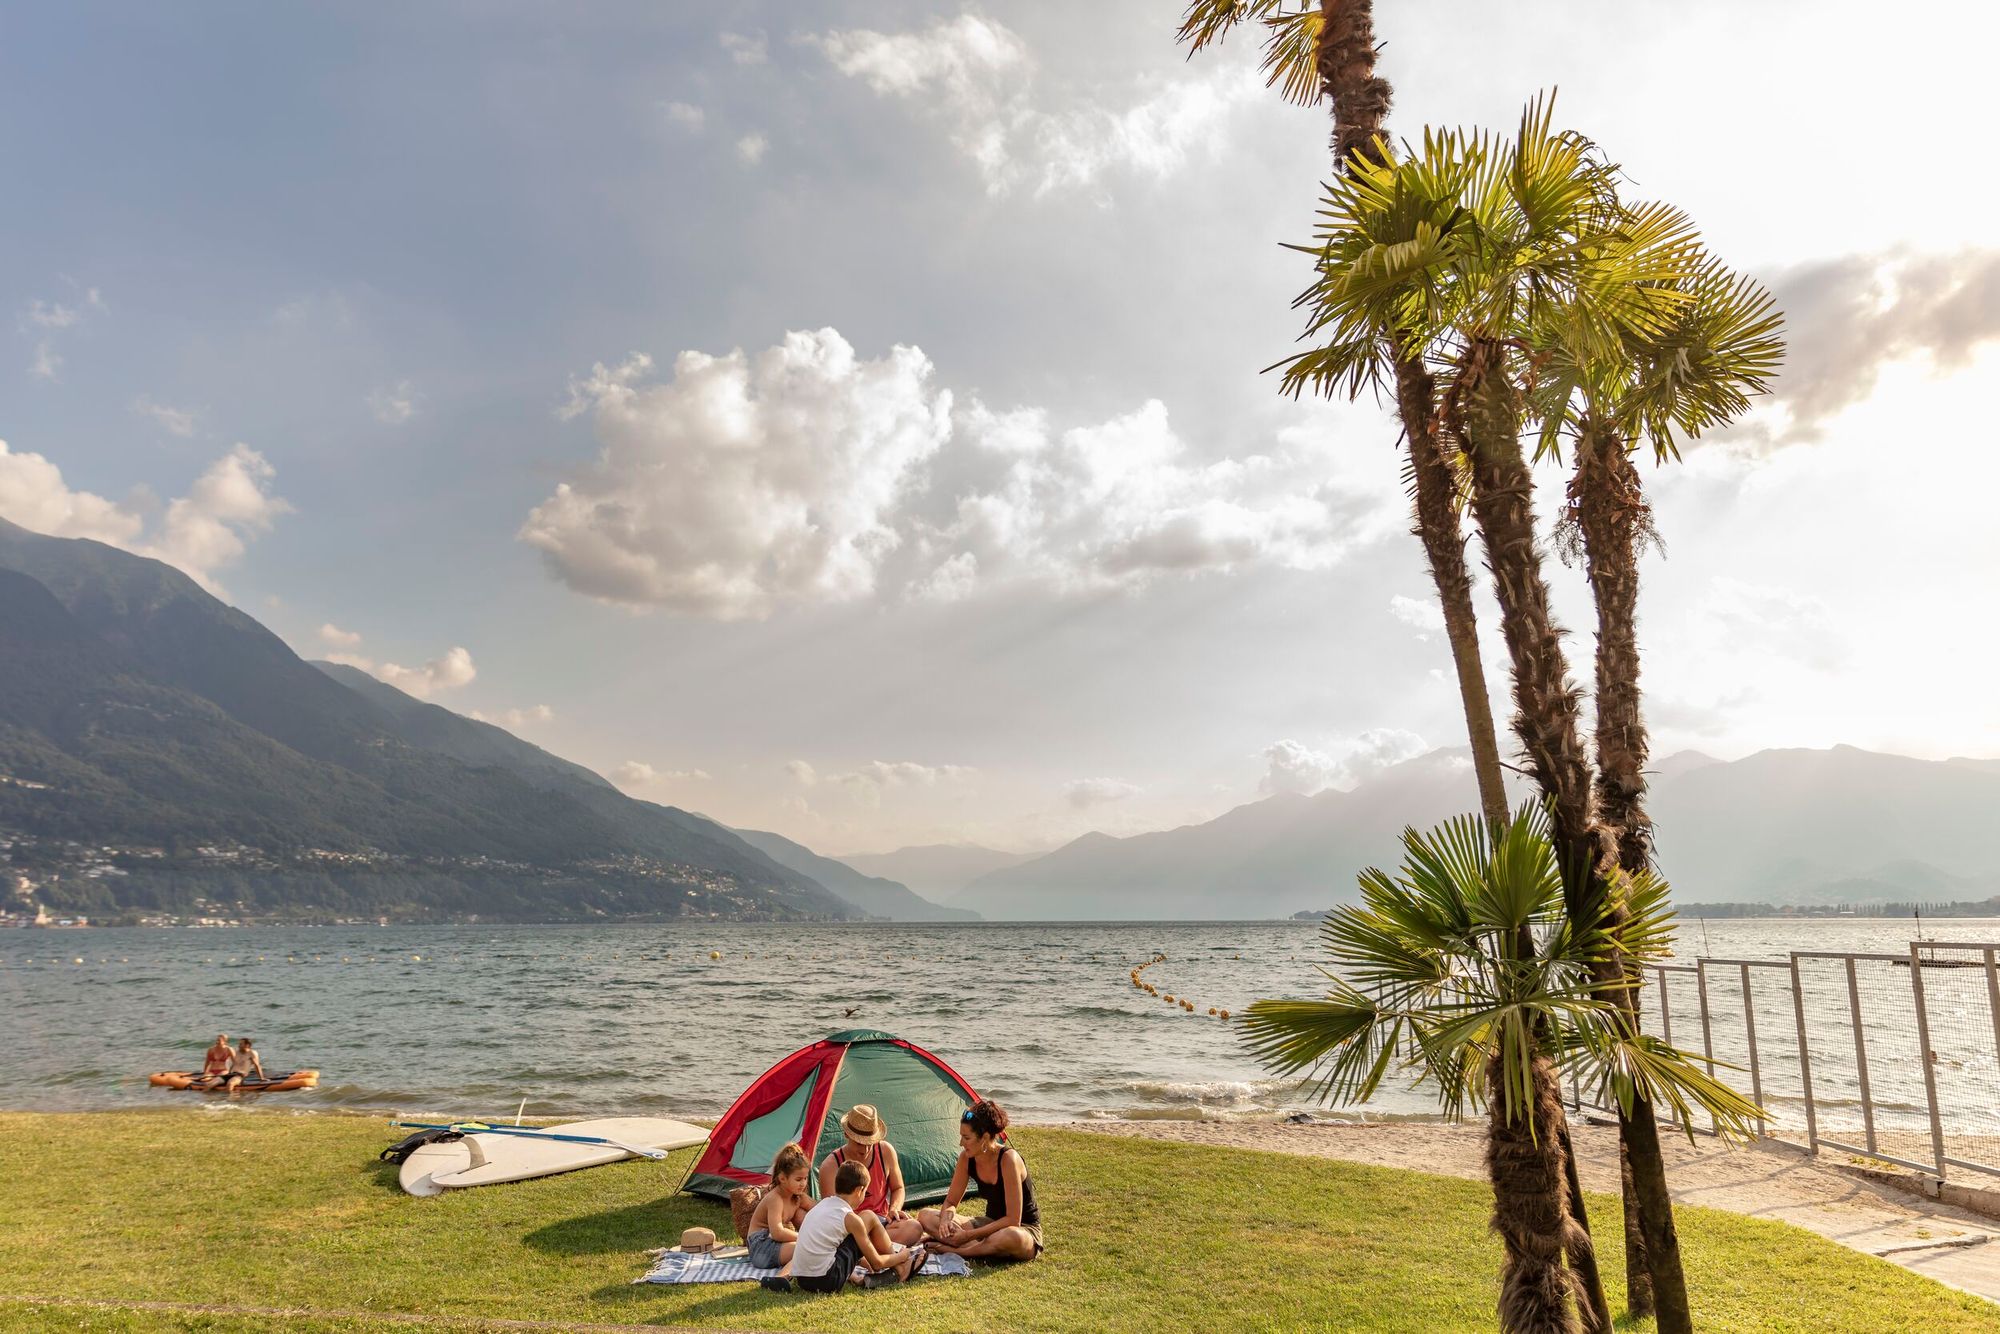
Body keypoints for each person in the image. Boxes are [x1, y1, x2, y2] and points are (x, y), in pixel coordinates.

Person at [919, 1099, 1043, 1262]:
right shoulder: (966, 1158)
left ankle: (960, 1251)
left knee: (1009, 1236)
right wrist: (944, 1221)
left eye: (966, 1137)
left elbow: (1013, 1220)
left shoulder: (1008, 1160)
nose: (961, 1143)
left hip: (1021, 1230)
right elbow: (950, 1201)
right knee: (926, 1216)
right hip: (988, 1226)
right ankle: (981, 1249)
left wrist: (967, 1236)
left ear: (984, 1137)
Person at [780, 1159, 925, 1294]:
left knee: (865, 1218)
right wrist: (902, 1256)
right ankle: (901, 1269)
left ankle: (892, 1269)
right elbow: (877, 1263)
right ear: (859, 1190)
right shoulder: (849, 1218)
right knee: (869, 1216)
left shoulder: (821, 1207)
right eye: (865, 1193)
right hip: (827, 1281)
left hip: (804, 1281)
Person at [817, 1104, 921, 1246]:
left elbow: (898, 1188)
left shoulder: (885, 1151)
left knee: (914, 1228)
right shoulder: (830, 1166)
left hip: (883, 1224)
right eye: (859, 1143)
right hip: (850, 1230)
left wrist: (894, 1209)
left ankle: (865, 1251)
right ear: (846, 1134)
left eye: (870, 1143)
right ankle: (874, 1249)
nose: (865, 1149)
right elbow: (831, 1215)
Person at [745, 1142, 812, 1271]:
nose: (803, 1183)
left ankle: (850, 1274)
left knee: (814, 1247)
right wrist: (806, 1238)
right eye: (798, 1179)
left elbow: (819, 1208)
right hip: (761, 1247)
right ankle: (785, 1275)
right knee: (808, 1249)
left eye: (805, 1178)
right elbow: (777, 1233)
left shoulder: (798, 1197)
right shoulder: (775, 1199)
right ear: (782, 1178)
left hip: (775, 1243)